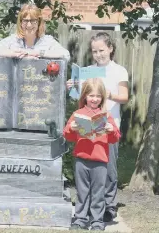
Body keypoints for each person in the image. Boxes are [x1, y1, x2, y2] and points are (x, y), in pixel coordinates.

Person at [66, 32, 129, 222]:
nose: (98, 54)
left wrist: (108, 94)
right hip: (87, 124)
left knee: (108, 169)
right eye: (94, 51)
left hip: (108, 125)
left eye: (101, 50)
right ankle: (89, 207)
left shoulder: (119, 70)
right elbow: (80, 97)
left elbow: (125, 97)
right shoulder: (88, 70)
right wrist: (73, 86)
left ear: (110, 49)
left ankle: (109, 206)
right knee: (87, 167)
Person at [63, 78, 121, 231]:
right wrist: (72, 129)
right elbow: (67, 135)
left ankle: (97, 221)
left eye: (98, 96)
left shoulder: (106, 116)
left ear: (102, 97)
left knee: (98, 192)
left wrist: (110, 130)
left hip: (100, 161)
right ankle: (80, 219)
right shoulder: (77, 114)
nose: (94, 99)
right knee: (82, 191)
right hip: (81, 159)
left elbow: (115, 137)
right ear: (84, 97)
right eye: (91, 95)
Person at [0, 4, 70, 61]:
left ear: (39, 22)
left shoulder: (47, 41)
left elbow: (66, 55)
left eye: (33, 21)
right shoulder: (13, 40)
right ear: (20, 22)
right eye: (25, 21)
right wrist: (12, 54)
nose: (29, 25)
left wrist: (37, 53)